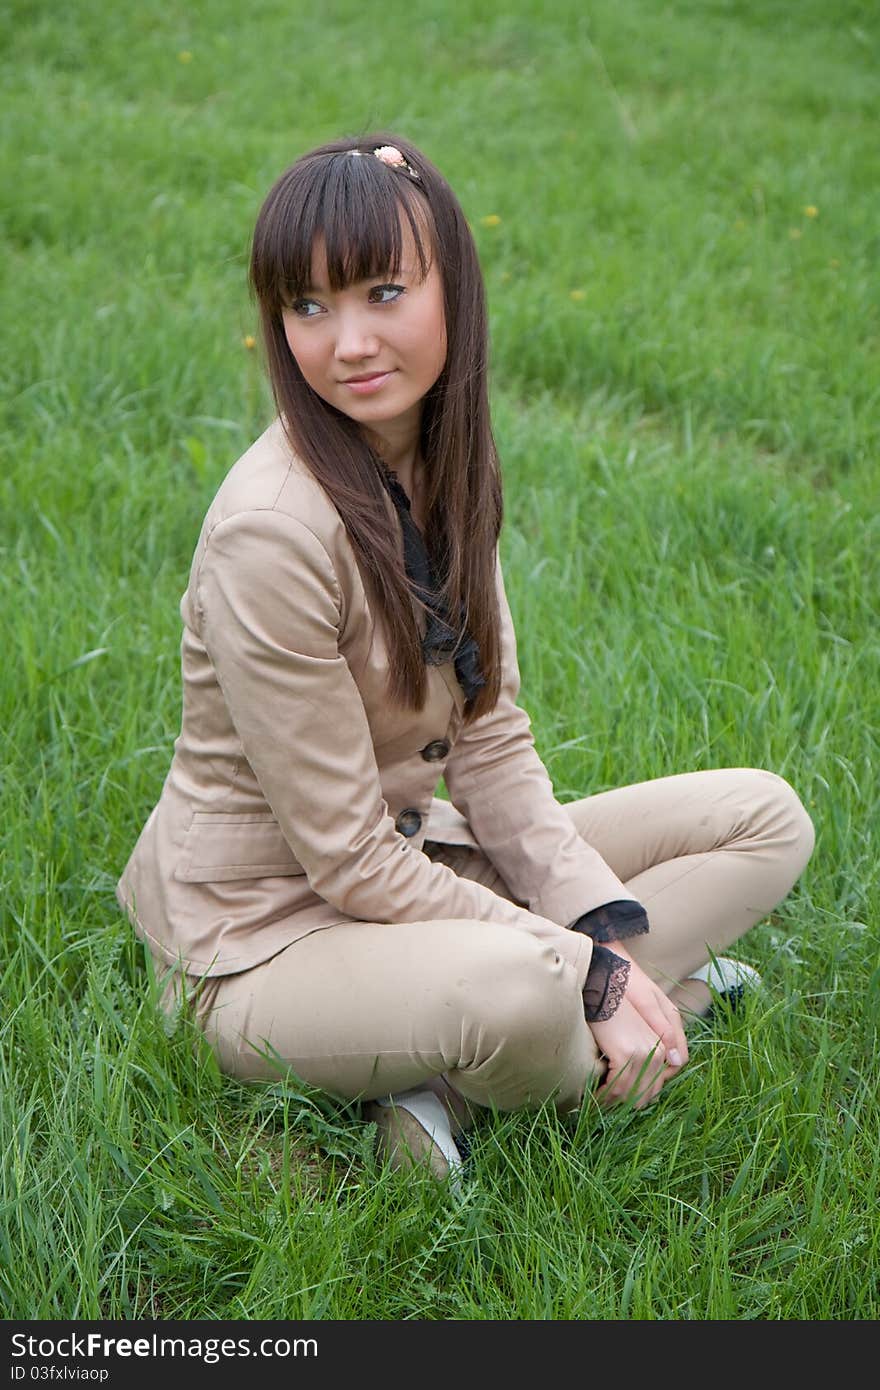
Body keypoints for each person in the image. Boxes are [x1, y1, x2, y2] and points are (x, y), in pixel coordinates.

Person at [117, 133, 815, 1185]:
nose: (346, 341)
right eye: (307, 307)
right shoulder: (270, 532)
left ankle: (441, 1087)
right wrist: (576, 970)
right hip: (263, 939)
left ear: (454, 286)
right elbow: (344, 860)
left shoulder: (448, 457)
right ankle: (611, 1011)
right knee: (526, 993)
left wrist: (594, 931)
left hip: (409, 864)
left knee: (765, 819)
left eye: (383, 291)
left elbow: (487, 739)